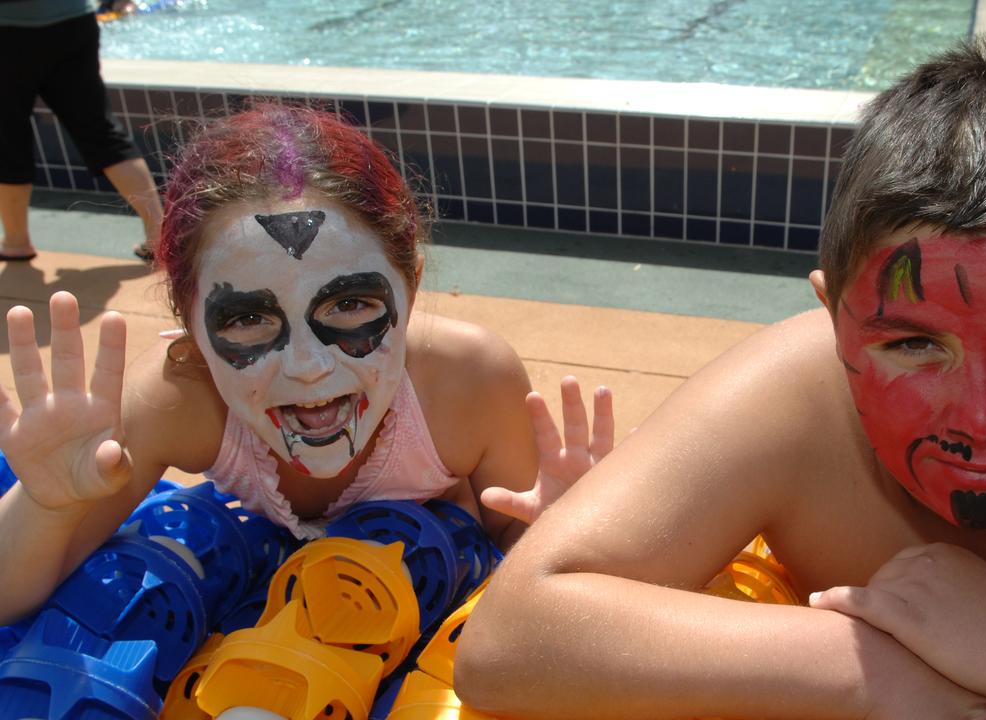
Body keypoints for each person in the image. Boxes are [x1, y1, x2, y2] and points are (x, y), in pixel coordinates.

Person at [455, 32, 986, 719]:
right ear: (834, 314)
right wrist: (874, 672)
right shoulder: (794, 392)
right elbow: (510, 641)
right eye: (914, 345)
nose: (984, 418)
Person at [0, 103, 612, 625]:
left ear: (412, 287)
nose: (308, 367)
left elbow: (521, 548)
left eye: (350, 304)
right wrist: (47, 508)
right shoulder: (177, 395)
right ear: (189, 324)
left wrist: (563, 530)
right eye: (246, 318)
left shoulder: (468, 384)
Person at [0, 0, 163, 262]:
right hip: (73, 20)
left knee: (7, 138)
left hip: (8, 29)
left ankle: (16, 240)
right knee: (102, 130)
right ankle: (158, 236)